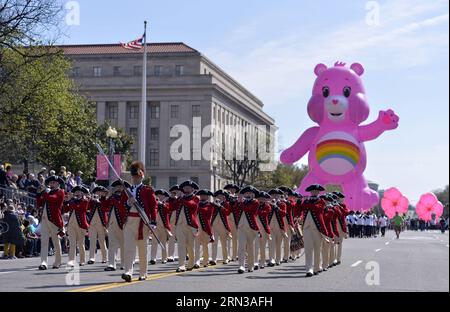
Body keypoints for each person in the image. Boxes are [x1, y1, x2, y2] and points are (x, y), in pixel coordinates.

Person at [122, 161, 157, 282]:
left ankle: (143, 272)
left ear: (141, 176)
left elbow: (153, 207)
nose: (134, 178)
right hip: (129, 221)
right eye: (133, 176)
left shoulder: (148, 190)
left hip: (142, 221)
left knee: (142, 249)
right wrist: (127, 202)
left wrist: (153, 222)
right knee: (129, 248)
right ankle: (128, 271)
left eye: (136, 176)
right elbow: (122, 207)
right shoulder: (127, 190)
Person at [297, 184, 329, 277]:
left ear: (318, 192)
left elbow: (317, 209)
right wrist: (299, 201)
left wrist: (307, 203)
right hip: (307, 227)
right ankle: (309, 269)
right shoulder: (306, 201)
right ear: (310, 192)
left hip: (318, 228)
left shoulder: (321, 201)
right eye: (313, 191)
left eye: (316, 191)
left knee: (317, 248)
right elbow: (299, 210)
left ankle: (317, 267)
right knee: (308, 249)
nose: (314, 192)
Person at [36, 175, 65, 270]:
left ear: (58, 184)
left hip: (54, 221)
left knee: (56, 242)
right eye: (50, 183)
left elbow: (53, 198)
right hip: (44, 220)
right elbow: (39, 203)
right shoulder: (47, 193)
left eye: (53, 183)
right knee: (44, 241)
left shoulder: (61, 192)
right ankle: (43, 262)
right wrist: (38, 193)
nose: (51, 184)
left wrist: (45, 192)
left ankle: (57, 261)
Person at [174, 180, 199, 272]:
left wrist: (182, 199)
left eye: (188, 188)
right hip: (180, 224)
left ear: (192, 189)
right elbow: (173, 206)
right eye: (185, 188)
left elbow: (192, 205)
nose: (186, 189)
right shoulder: (180, 198)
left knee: (190, 246)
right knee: (181, 245)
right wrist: (175, 197)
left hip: (190, 225)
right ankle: (181, 265)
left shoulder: (196, 198)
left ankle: (191, 263)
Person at [105, 180, 129, 271]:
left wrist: (114, 198)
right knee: (112, 244)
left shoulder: (126, 197)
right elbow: (105, 207)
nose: (119, 188)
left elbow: (121, 206)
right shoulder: (112, 197)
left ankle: (123, 263)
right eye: (117, 187)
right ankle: (111, 264)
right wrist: (104, 197)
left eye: (121, 187)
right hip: (111, 223)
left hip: (122, 223)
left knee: (124, 244)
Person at [64, 185, 90, 267]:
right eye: (76, 192)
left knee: (80, 243)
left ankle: (82, 260)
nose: (77, 193)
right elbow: (65, 210)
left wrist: (71, 201)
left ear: (82, 193)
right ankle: (71, 260)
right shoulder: (72, 201)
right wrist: (66, 201)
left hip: (81, 224)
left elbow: (80, 208)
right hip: (71, 224)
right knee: (72, 243)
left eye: (79, 192)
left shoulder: (85, 200)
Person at [236, 186, 260, 274]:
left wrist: (241, 202)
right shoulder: (240, 202)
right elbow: (235, 210)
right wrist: (237, 201)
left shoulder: (255, 202)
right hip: (241, 227)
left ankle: (250, 265)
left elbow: (249, 210)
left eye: (250, 193)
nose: (248, 195)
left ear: (253, 195)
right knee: (241, 247)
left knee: (251, 247)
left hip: (251, 227)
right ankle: (241, 265)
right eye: (246, 193)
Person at [87, 186, 109, 264]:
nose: (98, 193)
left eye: (100, 192)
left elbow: (106, 208)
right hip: (92, 223)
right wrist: (90, 200)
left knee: (102, 241)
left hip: (101, 224)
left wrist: (99, 201)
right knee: (92, 241)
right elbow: (87, 208)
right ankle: (91, 258)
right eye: (97, 192)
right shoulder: (92, 200)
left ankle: (104, 257)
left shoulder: (105, 200)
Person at [150, 189, 173, 265]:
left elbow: (168, 210)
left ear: (164, 197)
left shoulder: (167, 204)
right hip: (155, 225)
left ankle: (164, 258)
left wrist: (161, 204)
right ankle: (153, 258)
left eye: (162, 195)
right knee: (154, 242)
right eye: (158, 195)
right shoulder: (154, 203)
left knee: (164, 242)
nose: (160, 196)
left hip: (163, 226)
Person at [210, 190, 232, 265]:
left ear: (224, 197)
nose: (220, 197)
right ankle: (214, 259)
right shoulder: (213, 204)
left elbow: (227, 212)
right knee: (214, 243)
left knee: (224, 243)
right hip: (214, 225)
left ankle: (225, 258)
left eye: (222, 196)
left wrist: (220, 206)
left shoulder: (226, 204)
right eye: (218, 196)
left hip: (223, 225)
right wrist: (214, 205)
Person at [194, 190, 215, 268]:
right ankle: (197, 261)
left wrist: (197, 206)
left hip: (206, 227)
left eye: (204, 195)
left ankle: (205, 261)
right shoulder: (197, 204)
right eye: (201, 195)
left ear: (207, 197)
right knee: (196, 245)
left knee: (205, 245)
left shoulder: (210, 205)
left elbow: (207, 213)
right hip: (197, 227)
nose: (202, 197)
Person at [267, 189, 286, 267]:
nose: (275, 196)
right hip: (270, 226)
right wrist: (271, 205)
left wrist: (276, 207)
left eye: (277, 195)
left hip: (279, 226)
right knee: (271, 244)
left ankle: (278, 259)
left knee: (279, 244)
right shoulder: (268, 204)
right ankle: (271, 259)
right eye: (273, 195)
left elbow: (284, 213)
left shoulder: (282, 204)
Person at [223, 184, 240, 262]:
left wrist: (234, 200)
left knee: (235, 238)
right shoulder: (225, 197)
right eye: (230, 189)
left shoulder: (238, 198)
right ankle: (227, 256)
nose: (231, 190)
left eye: (233, 189)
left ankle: (234, 255)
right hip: (226, 218)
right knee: (227, 238)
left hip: (235, 219)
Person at [255, 191, 271, 270]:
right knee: (255, 246)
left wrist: (256, 210)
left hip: (264, 228)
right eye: (260, 198)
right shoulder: (255, 205)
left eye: (263, 199)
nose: (261, 200)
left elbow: (263, 213)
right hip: (255, 228)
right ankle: (255, 262)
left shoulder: (267, 206)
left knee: (262, 247)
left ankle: (262, 261)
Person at [333, 192, 349, 265]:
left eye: (337, 197)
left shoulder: (342, 205)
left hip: (340, 225)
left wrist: (340, 206)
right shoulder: (331, 204)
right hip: (332, 224)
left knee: (339, 243)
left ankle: (338, 258)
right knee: (333, 242)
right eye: (335, 197)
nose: (336, 198)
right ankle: (333, 259)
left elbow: (346, 213)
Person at [167, 185, 181, 263]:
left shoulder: (182, 199)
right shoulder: (169, 200)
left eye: (177, 192)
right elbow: (169, 208)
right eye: (173, 192)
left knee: (182, 239)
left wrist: (177, 199)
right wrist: (172, 199)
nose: (175, 194)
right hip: (172, 221)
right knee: (171, 239)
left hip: (181, 221)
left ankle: (185, 254)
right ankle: (170, 255)